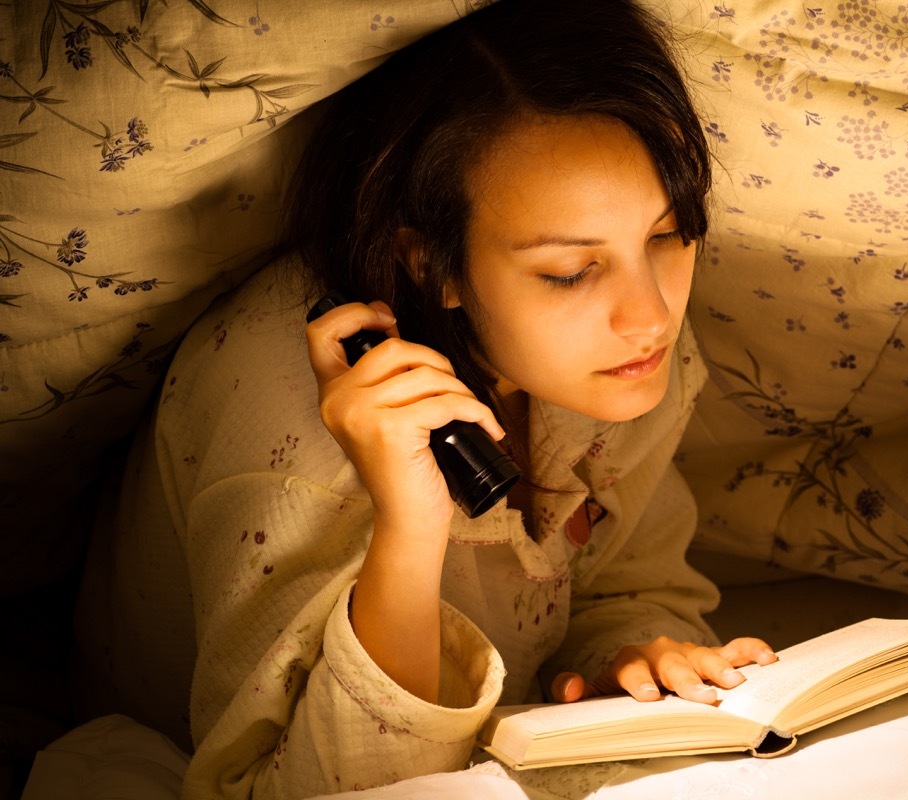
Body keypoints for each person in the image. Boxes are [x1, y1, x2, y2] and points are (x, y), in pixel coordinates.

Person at [74, 1, 776, 797]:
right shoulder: (297, 455)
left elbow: (627, 579)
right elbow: (298, 788)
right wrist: (409, 530)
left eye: (669, 231)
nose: (651, 315)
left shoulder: (617, 359)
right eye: (569, 272)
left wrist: (633, 652)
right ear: (430, 265)